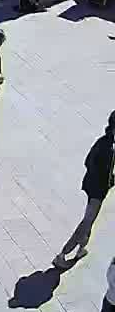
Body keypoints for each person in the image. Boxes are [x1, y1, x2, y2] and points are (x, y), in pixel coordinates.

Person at [57, 112, 115, 267]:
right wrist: (109, 181)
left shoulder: (103, 141)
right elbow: (102, 171)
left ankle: (81, 248)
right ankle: (62, 254)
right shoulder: (109, 148)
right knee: (87, 222)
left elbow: (89, 162)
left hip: (92, 186)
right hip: (97, 191)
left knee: (90, 219)